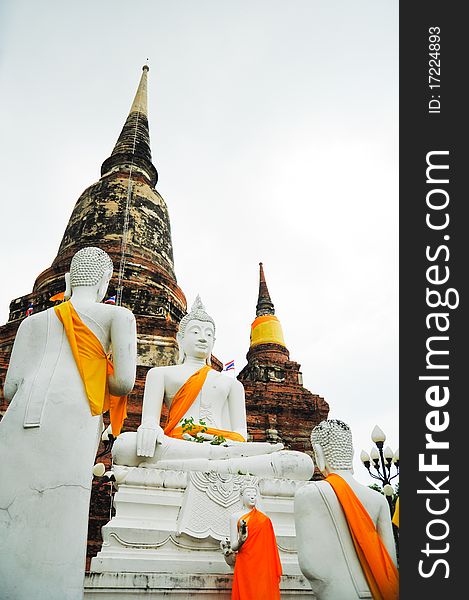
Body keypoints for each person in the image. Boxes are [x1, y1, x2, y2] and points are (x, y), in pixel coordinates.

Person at [0, 247, 137, 600]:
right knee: (62, 513)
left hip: (19, 417)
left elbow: (10, 388)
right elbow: (123, 382)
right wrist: (96, 362)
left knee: (10, 509)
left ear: (66, 279)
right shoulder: (116, 316)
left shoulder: (32, 323)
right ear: (105, 281)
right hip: (72, 410)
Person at [112, 296, 314, 481]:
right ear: (180, 340)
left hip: (226, 446)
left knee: (299, 463)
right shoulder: (160, 374)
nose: (202, 338)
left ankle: (207, 461)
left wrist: (221, 442)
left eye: (208, 334)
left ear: (214, 342)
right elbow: (150, 421)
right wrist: (149, 428)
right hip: (179, 444)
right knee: (125, 445)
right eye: (195, 332)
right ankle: (217, 462)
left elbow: (240, 434)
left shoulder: (232, 384)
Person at [294, 420, 399, 600]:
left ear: (318, 454)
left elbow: (309, 563)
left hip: (335, 590)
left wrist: (329, 586)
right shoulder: (378, 499)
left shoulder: (309, 493)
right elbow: (389, 560)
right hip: (379, 591)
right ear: (351, 453)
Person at [221, 485, 282, 599]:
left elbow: (269, 546)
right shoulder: (235, 517)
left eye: (254, 495)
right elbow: (234, 547)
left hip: (263, 563)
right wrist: (241, 540)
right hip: (245, 561)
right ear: (241, 497)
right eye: (249, 494)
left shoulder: (264, 519)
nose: (252, 497)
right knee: (247, 593)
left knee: (262, 593)